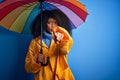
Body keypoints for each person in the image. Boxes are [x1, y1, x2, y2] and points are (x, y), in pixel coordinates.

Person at [25, 9, 75, 80]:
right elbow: (28, 67)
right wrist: (36, 60)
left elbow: (65, 51)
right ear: (44, 23)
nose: (53, 25)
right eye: (49, 22)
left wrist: (61, 42)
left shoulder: (64, 37)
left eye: (55, 23)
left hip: (62, 77)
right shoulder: (34, 42)